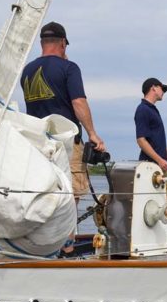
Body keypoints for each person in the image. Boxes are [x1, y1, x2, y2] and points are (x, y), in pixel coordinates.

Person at [21, 22, 106, 202]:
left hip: (37, 143)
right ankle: (69, 222)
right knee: (71, 195)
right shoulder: (69, 68)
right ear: (62, 43)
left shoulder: (27, 70)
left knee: (41, 194)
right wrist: (92, 134)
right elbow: (78, 102)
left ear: (42, 43)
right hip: (66, 144)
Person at [135, 77, 167, 171]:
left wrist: (163, 152)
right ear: (153, 88)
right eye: (162, 89)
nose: (163, 92)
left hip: (153, 166)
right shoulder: (143, 109)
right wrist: (160, 160)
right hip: (149, 168)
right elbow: (141, 140)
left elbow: (151, 140)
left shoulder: (151, 109)